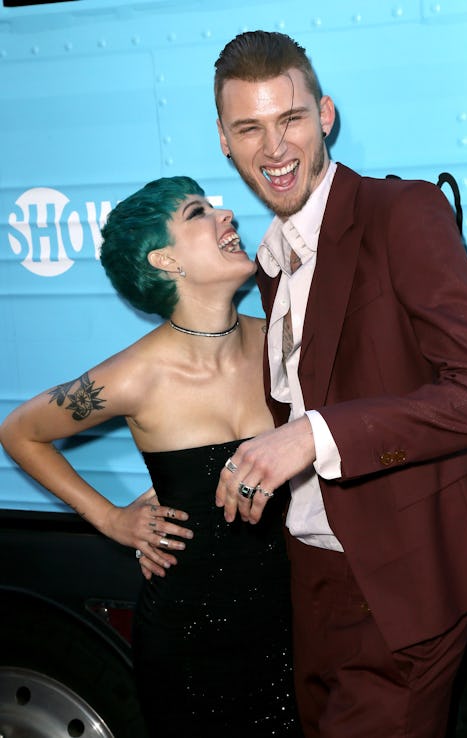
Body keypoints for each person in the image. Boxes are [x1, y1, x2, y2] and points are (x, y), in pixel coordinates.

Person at [212, 30, 467, 738]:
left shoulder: (399, 213)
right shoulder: (270, 260)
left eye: (290, 118)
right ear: (226, 144)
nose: (274, 148)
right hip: (309, 574)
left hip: (402, 583)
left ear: (325, 115)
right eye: (249, 128)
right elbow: (311, 387)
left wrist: (315, 437)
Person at [0, 176, 303, 738]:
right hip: (188, 645)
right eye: (198, 213)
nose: (227, 215)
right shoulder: (136, 375)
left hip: (293, 628)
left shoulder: (281, 341)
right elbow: (20, 432)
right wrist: (112, 519)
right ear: (164, 259)